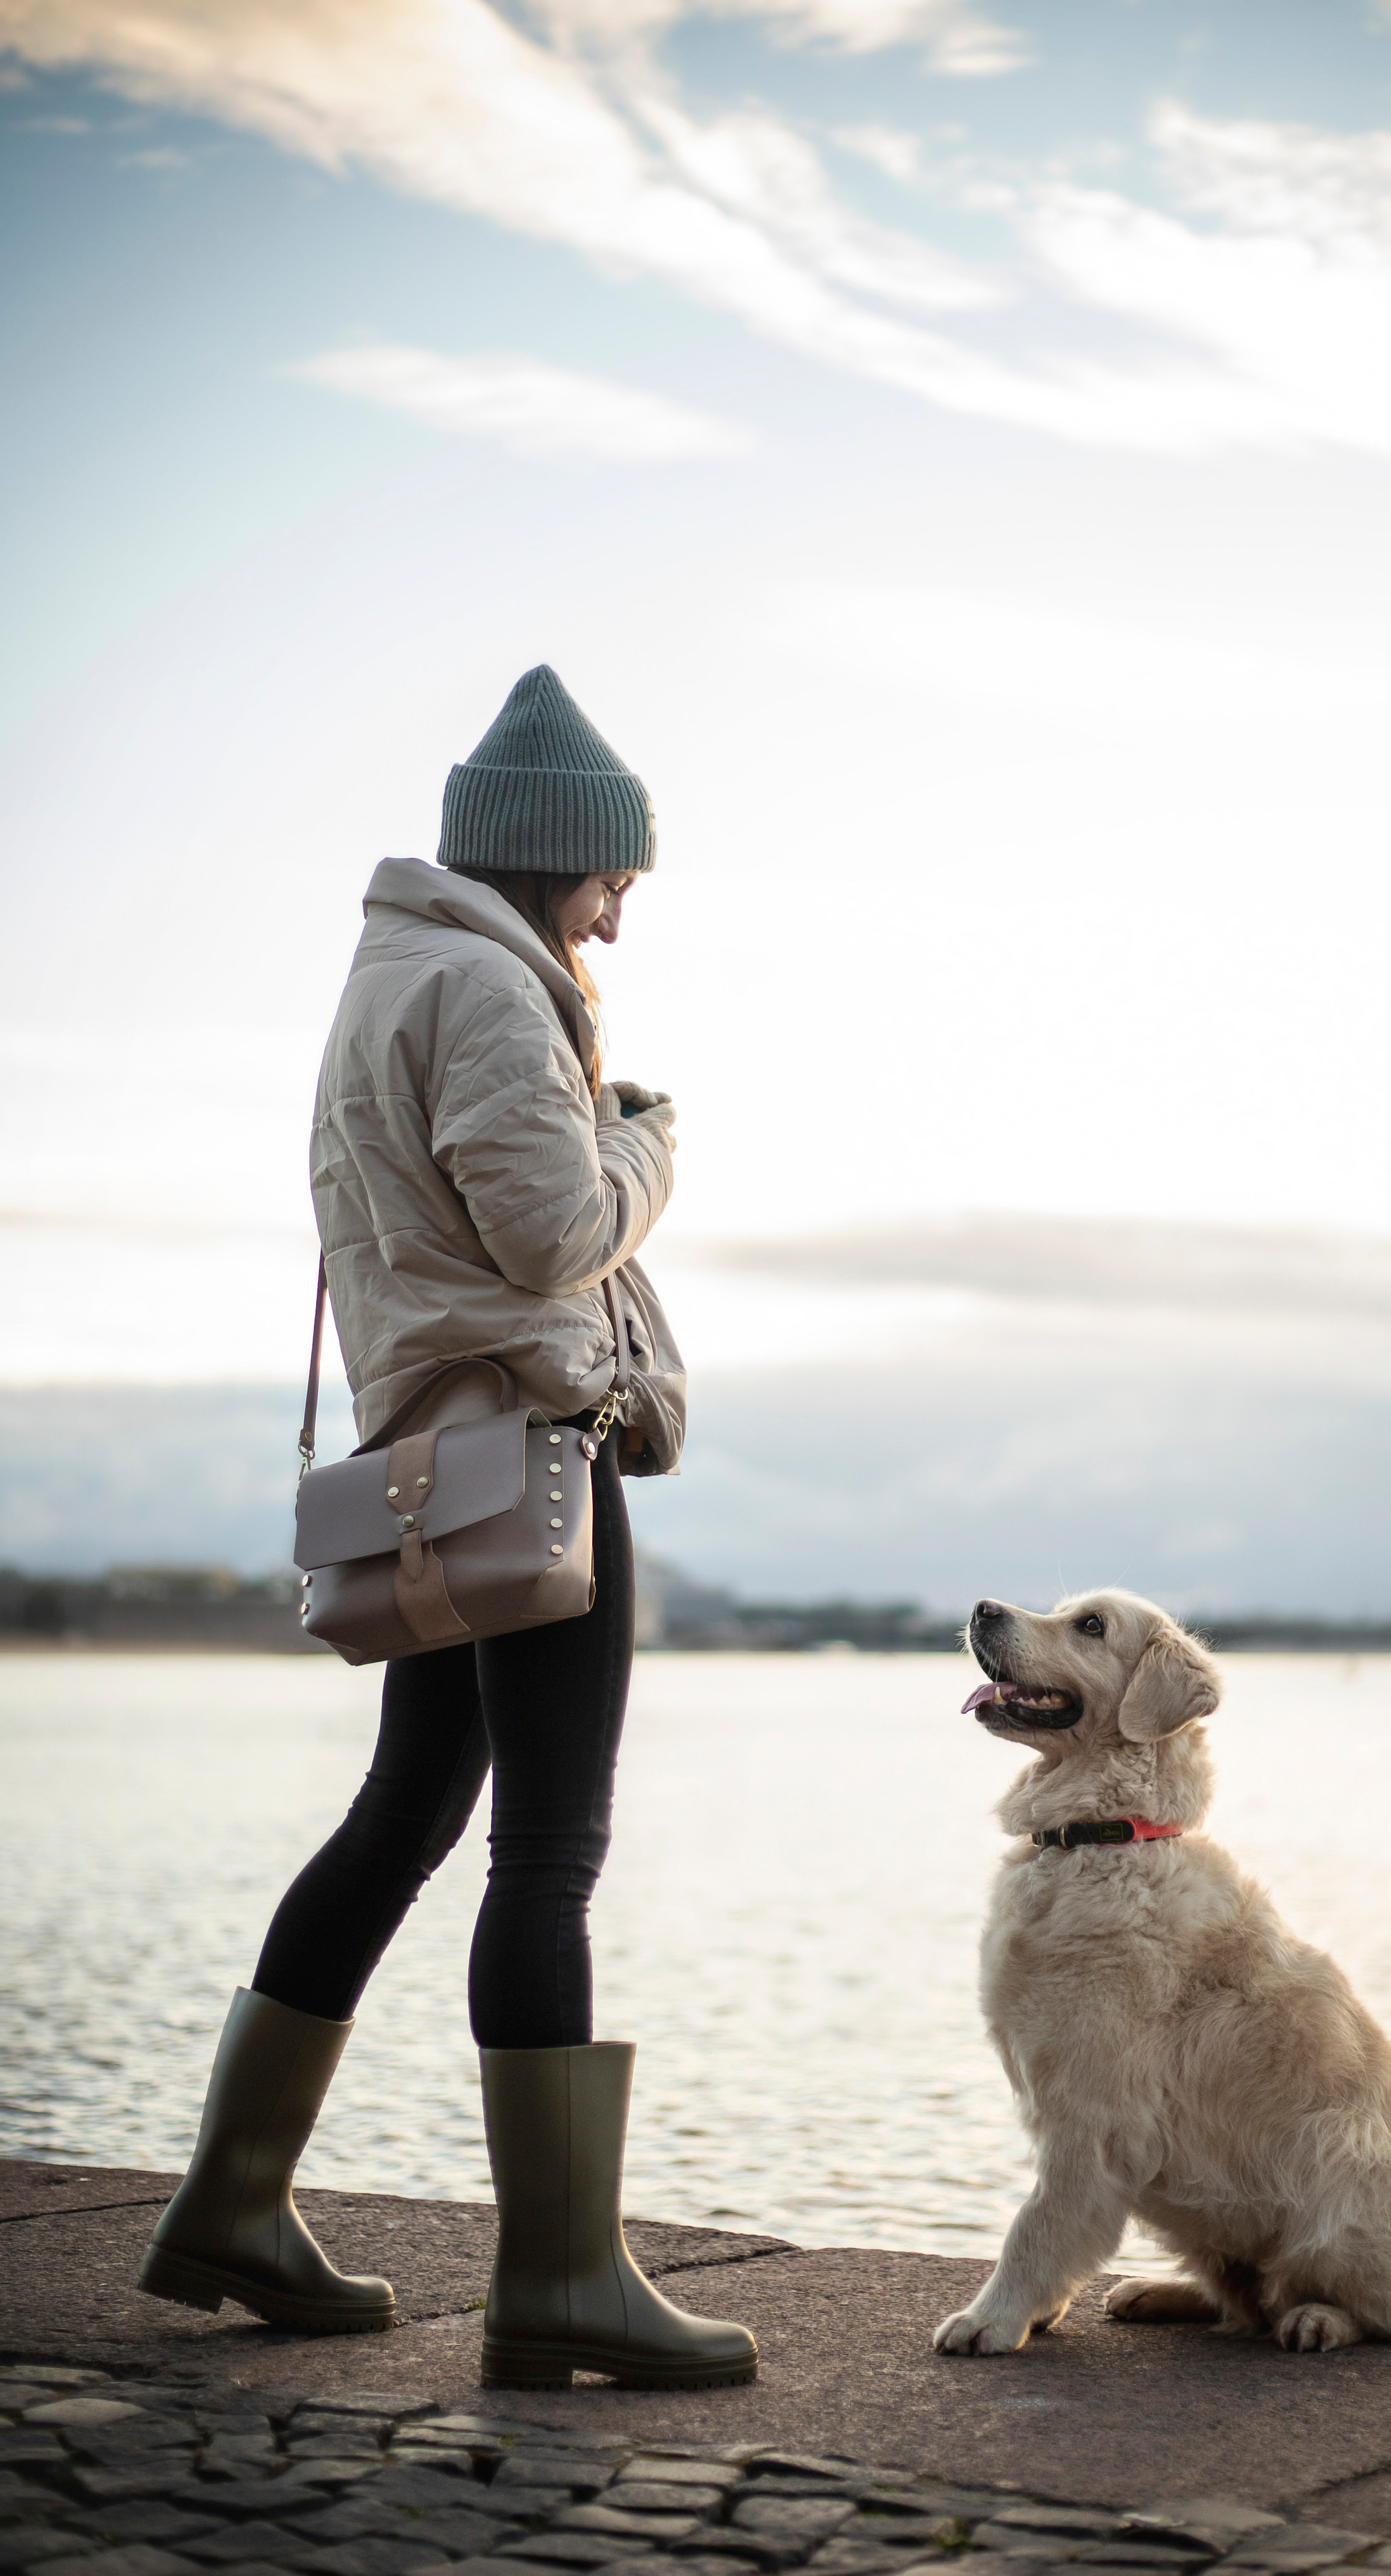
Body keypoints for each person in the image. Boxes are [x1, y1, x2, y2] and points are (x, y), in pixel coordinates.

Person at [135, 667, 756, 2392]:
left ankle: (231, 2207)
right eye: (613, 879)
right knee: (544, 1854)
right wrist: (647, 1143)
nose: (617, 918)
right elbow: (554, 1233)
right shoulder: (487, 987)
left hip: (434, 1454)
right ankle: (558, 2277)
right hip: (528, 1456)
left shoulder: (392, 974)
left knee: (404, 1813)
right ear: (553, 854)